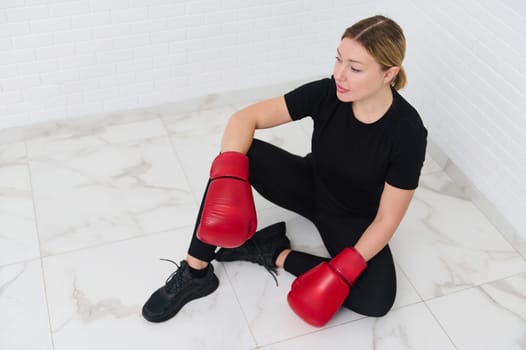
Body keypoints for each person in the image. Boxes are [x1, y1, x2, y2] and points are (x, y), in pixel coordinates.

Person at [142, 14, 427, 327]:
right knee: (240, 155)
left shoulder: (407, 132)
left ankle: (272, 250)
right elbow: (243, 120)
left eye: (355, 68)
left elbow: (387, 219)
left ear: (390, 73)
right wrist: (228, 174)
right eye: (338, 59)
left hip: (351, 217)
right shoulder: (327, 92)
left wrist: (344, 268)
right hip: (309, 184)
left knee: (376, 300)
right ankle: (196, 271)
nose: (340, 74)